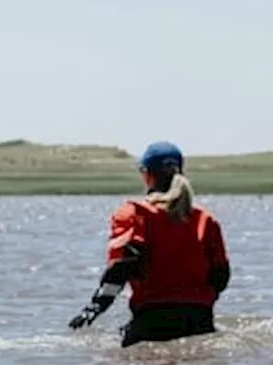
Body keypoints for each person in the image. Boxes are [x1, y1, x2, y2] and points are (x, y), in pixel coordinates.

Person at [68, 141, 231, 347]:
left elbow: (121, 268)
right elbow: (221, 276)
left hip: (152, 320)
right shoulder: (205, 220)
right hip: (200, 320)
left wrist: (94, 308)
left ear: (146, 175)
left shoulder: (136, 215)